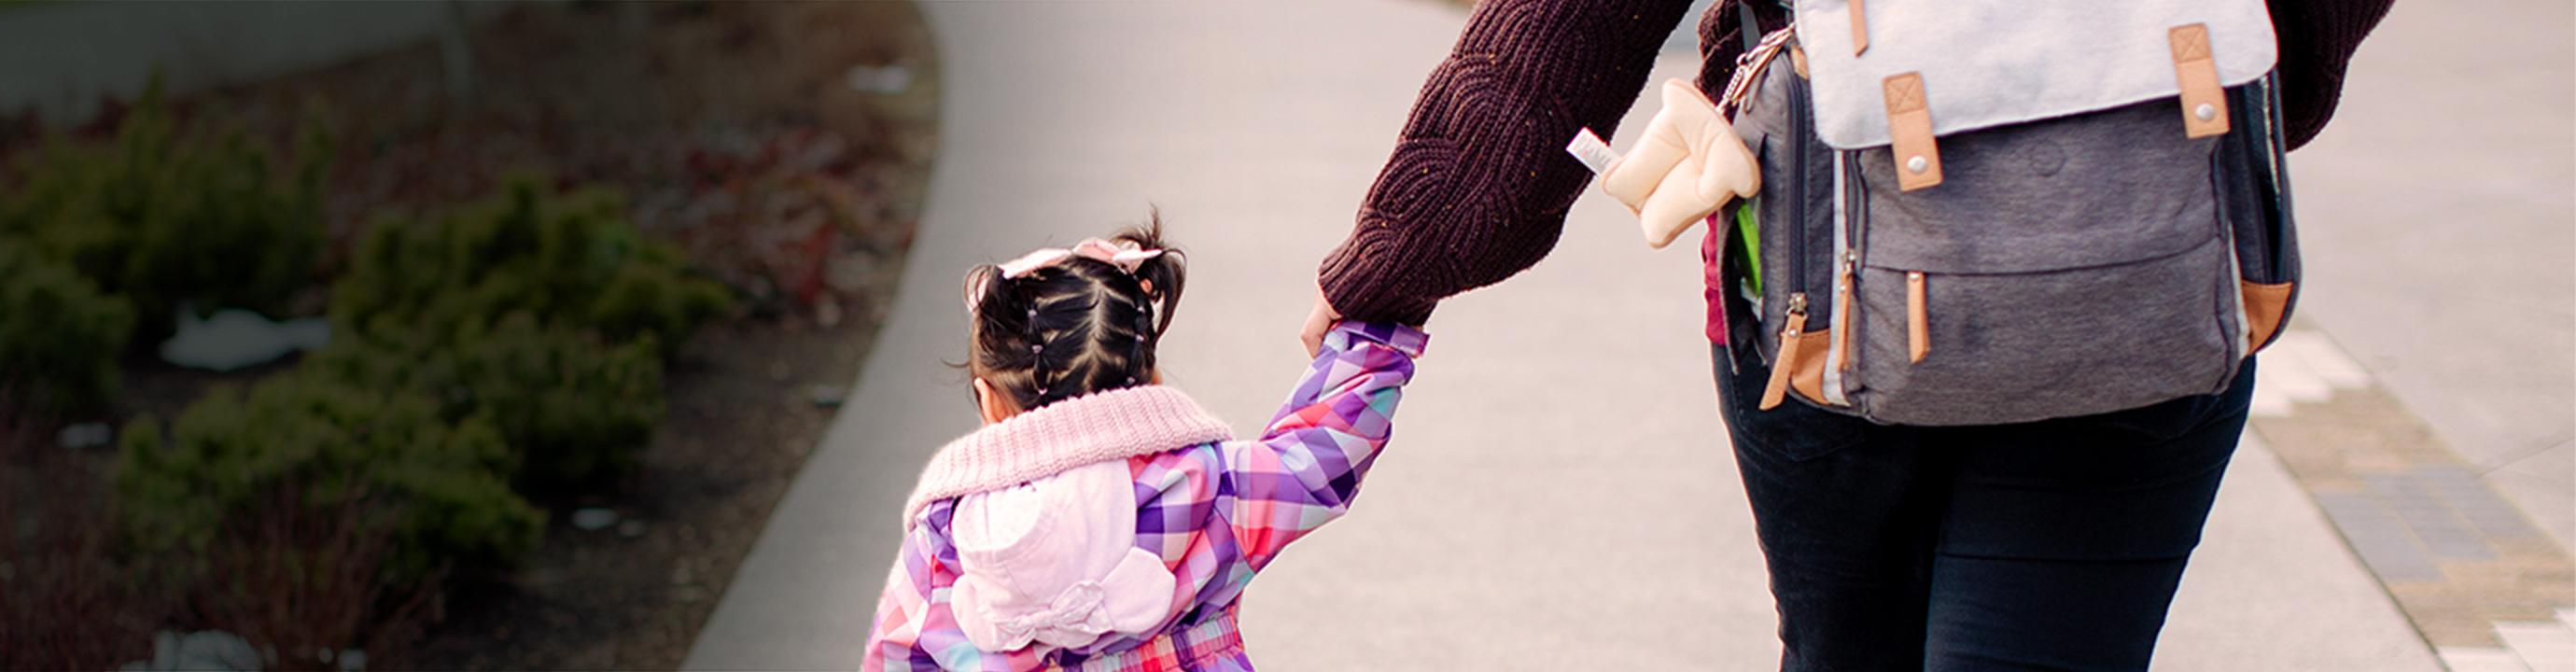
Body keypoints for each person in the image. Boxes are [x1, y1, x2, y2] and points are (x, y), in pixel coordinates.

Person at [1304, 1, 2391, 669]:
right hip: (2146, 269)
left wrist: (1400, 260)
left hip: (1822, 286)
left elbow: (1570, 26)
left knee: (1847, 652)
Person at [863, 220, 1429, 670]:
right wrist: (1369, 337)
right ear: (1150, 377)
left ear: (990, 403)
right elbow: (1320, 457)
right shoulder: (1208, 486)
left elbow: (899, 655)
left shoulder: (949, 539)